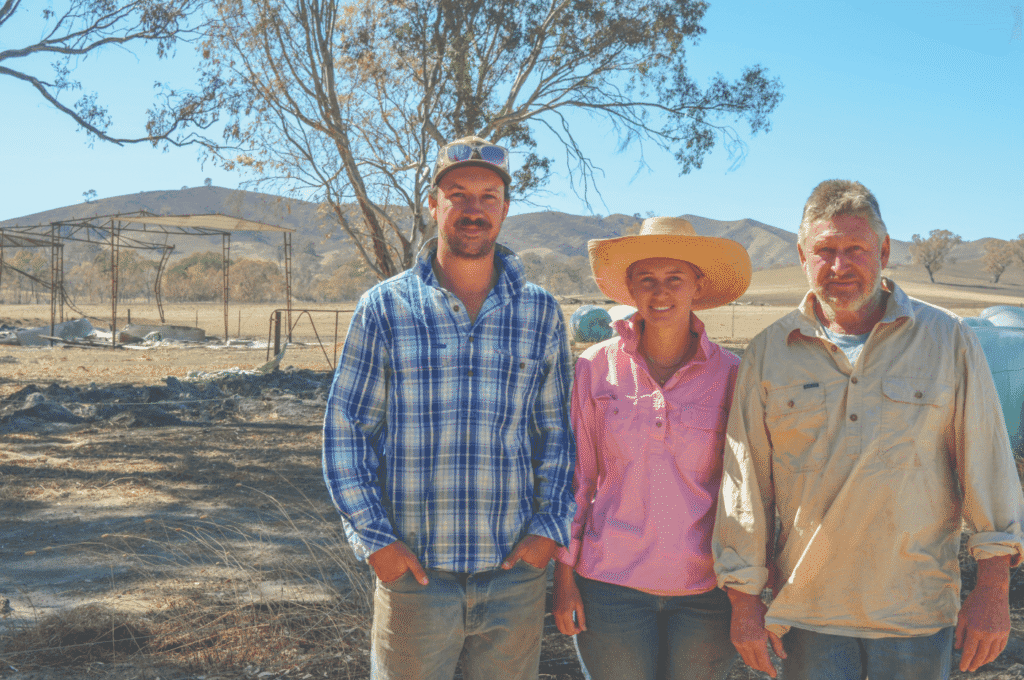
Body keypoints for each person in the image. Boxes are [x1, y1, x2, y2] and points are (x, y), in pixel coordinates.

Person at [713, 179, 1024, 680]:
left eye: (855, 249)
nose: (840, 266)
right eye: (825, 251)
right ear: (801, 256)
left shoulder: (948, 340)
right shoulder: (771, 351)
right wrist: (744, 603)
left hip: (915, 611)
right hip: (806, 611)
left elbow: (987, 465)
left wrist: (992, 590)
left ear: (882, 250)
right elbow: (744, 484)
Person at [322, 135, 576, 680]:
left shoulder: (540, 313)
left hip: (514, 575)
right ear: (432, 205)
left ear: (505, 210)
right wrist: (377, 543)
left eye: (488, 196)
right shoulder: (385, 307)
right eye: (457, 194)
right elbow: (347, 430)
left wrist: (548, 531)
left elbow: (556, 432)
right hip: (415, 575)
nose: (473, 209)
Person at [553, 216, 752, 680]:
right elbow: (577, 476)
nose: (660, 292)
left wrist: (749, 591)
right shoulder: (595, 367)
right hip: (609, 584)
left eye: (674, 279)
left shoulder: (732, 374)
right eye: (647, 280)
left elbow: (748, 490)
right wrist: (563, 578)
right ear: (630, 289)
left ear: (697, 286)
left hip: (706, 588)